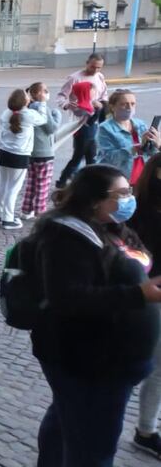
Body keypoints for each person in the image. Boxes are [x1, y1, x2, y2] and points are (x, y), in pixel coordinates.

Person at [30, 164, 161, 465]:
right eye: (123, 193)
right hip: (89, 360)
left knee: (66, 419)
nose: (130, 198)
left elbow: (138, 256)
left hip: (109, 361)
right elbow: (68, 298)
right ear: (94, 200)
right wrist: (139, 294)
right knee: (94, 447)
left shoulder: (111, 225)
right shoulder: (65, 237)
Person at [129, 154, 161, 455]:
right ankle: (146, 429)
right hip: (146, 297)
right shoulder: (141, 212)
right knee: (143, 365)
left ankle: (147, 429)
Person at [0, 88, 48, 229]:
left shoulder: (6, 113)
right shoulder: (28, 114)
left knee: (4, 185)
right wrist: (42, 103)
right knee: (13, 187)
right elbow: (43, 119)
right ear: (26, 101)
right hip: (19, 155)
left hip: (3, 152)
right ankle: (8, 219)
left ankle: (1, 214)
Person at [56, 53, 109, 188]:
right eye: (93, 67)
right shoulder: (74, 78)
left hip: (95, 119)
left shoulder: (100, 77)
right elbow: (61, 97)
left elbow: (104, 95)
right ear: (87, 63)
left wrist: (102, 105)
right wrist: (67, 105)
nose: (95, 70)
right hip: (79, 121)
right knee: (80, 154)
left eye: (99, 68)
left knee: (91, 153)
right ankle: (64, 179)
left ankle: (87, 179)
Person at [97, 89, 160, 185]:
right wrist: (136, 148)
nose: (129, 107)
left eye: (132, 104)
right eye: (124, 104)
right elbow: (109, 158)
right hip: (119, 180)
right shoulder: (105, 128)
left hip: (142, 178)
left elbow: (150, 153)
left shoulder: (140, 124)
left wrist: (156, 143)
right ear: (112, 107)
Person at [21, 82, 61, 220]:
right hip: (44, 152)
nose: (47, 93)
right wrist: (57, 115)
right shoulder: (42, 108)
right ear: (38, 93)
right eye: (46, 90)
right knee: (42, 184)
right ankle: (40, 212)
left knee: (31, 183)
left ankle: (26, 210)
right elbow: (51, 128)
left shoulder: (28, 108)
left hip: (31, 152)